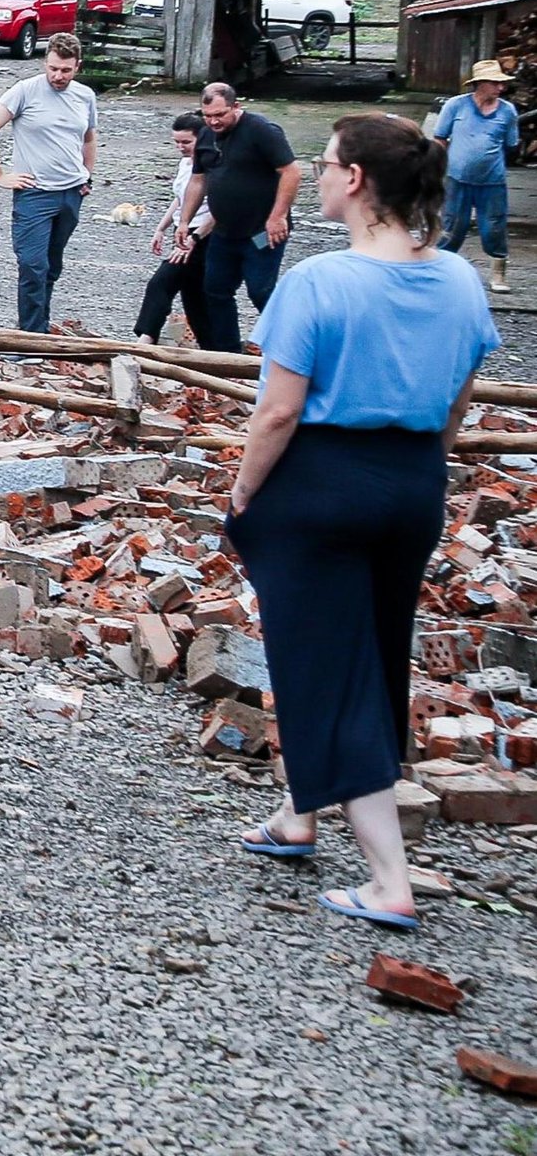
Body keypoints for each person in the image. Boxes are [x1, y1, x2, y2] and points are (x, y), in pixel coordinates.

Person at [225, 113, 499, 930]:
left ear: (354, 181)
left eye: (327, 160)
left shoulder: (318, 281)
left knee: (326, 664)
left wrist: (241, 495)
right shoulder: (457, 279)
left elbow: (277, 413)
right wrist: (419, 467)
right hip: (410, 482)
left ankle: (387, 878)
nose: (317, 170)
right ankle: (297, 813)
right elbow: (457, 402)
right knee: (362, 648)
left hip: (320, 485)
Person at [0, 33, 99, 335]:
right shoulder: (25, 91)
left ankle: (39, 327)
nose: (58, 76)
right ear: (46, 62)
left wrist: (87, 175)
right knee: (32, 265)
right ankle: (30, 337)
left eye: (65, 70)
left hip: (71, 192)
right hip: (35, 194)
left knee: (52, 266)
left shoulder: (85, 96)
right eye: (53, 68)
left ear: (77, 67)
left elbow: (89, 137)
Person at [179, 82, 301, 353]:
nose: (213, 121)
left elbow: (291, 172)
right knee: (215, 289)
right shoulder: (206, 136)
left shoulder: (260, 131)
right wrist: (186, 220)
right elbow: (198, 180)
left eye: (220, 115)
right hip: (224, 231)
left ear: (236, 107)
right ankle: (228, 353)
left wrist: (278, 216)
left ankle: (290, 347)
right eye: (207, 115)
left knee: (260, 290)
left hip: (262, 232)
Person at [428, 59, 520, 293]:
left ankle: (498, 275)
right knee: (452, 226)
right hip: (456, 179)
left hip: (492, 181)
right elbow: (440, 138)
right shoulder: (456, 106)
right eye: (495, 83)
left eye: (501, 84)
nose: (500, 88)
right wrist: (438, 167)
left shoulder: (507, 111)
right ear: (479, 84)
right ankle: (438, 272)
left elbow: (511, 144)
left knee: (494, 226)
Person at [135, 111, 216, 346]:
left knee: (162, 281)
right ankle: (212, 344)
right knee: (193, 293)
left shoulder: (210, 166)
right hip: (183, 229)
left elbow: (218, 207)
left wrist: (195, 238)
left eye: (186, 142)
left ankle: (147, 336)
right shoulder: (185, 163)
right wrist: (161, 228)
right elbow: (180, 199)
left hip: (201, 233)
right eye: (177, 142)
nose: (180, 147)